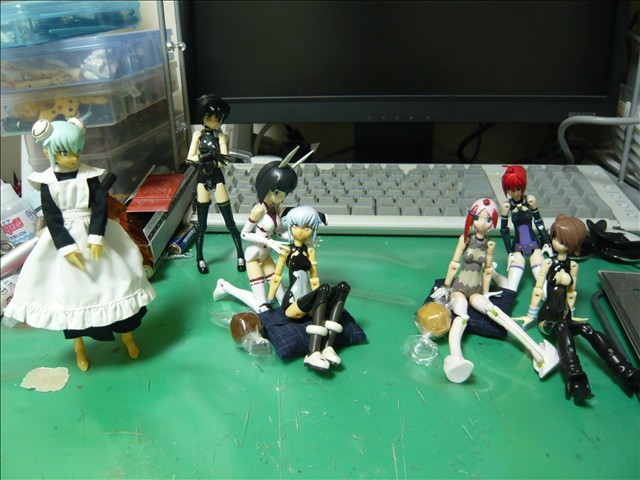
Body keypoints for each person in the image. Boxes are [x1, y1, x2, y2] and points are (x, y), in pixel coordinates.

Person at [4, 118, 156, 371]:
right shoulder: (47, 183)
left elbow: (100, 206)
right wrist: (65, 247)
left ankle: (127, 336)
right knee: (71, 295)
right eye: (65, 152)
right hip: (65, 241)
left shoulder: (89, 176)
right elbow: (52, 218)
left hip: (96, 236)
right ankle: (79, 347)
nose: (73, 157)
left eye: (77, 150)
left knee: (116, 283)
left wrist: (96, 237)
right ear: (48, 152)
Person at [434, 198, 558, 383]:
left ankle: (538, 352)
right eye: (478, 217)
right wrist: (446, 287)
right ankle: (455, 358)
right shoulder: (465, 239)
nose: (482, 222)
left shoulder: (490, 244)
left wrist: (485, 293)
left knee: (494, 311)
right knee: (461, 316)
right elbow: (454, 264)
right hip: (459, 287)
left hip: (476, 290)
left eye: (487, 219)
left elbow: (487, 271)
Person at [520, 215, 640, 404]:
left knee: (587, 329)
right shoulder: (548, 263)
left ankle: (627, 372)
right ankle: (575, 378)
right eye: (555, 237)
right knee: (561, 327)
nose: (556, 242)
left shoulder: (573, 266)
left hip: (564, 314)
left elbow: (571, 293)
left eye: (563, 241)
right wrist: (531, 315)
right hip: (548, 317)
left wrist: (572, 313)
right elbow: (537, 290)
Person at [213, 147, 313, 312]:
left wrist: (299, 238)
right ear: (268, 188)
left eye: (285, 193)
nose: (283, 197)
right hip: (253, 256)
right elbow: (244, 234)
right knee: (262, 306)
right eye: (280, 192)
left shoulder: (276, 208)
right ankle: (224, 286)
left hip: (266, 255)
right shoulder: (258, 210)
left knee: (283, 299)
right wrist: (269, 241)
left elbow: (279, 232)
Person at [267, 206, 350, 371]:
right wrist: (269, 299)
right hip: (293, 304)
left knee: (342, 287)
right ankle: (312, 353)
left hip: (310, 302)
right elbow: (276, 276)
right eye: (295, 226)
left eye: (307, 228)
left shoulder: (310, 251)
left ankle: (327, 347)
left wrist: (320, 296)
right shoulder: (286, 250)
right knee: (324, 289)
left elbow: (314, 278)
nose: (300, 231)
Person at [187, 94, 244, 274]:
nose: (213, 122)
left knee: (230, 222)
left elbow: (223, 161)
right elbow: (190, 158)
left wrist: (207, 159)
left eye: (217, 119)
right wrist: (209, 156)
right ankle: (200, 258)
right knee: (201, 225)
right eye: (209, 118)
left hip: (217, 177)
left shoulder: (221, 136)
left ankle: (240, 255)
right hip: (202, 178)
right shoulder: (198, 135)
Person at [494, 165, 551, 291]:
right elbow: (504, 230)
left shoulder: (530, 201)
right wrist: (509, 252)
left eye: (518, 188)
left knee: (544, 286)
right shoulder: (507, 206)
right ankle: (493, 272)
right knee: (511, 289)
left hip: (534, 244)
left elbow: (538, 221)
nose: (514, 192)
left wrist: (546, 241)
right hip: (517, 245)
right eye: (510, 189)